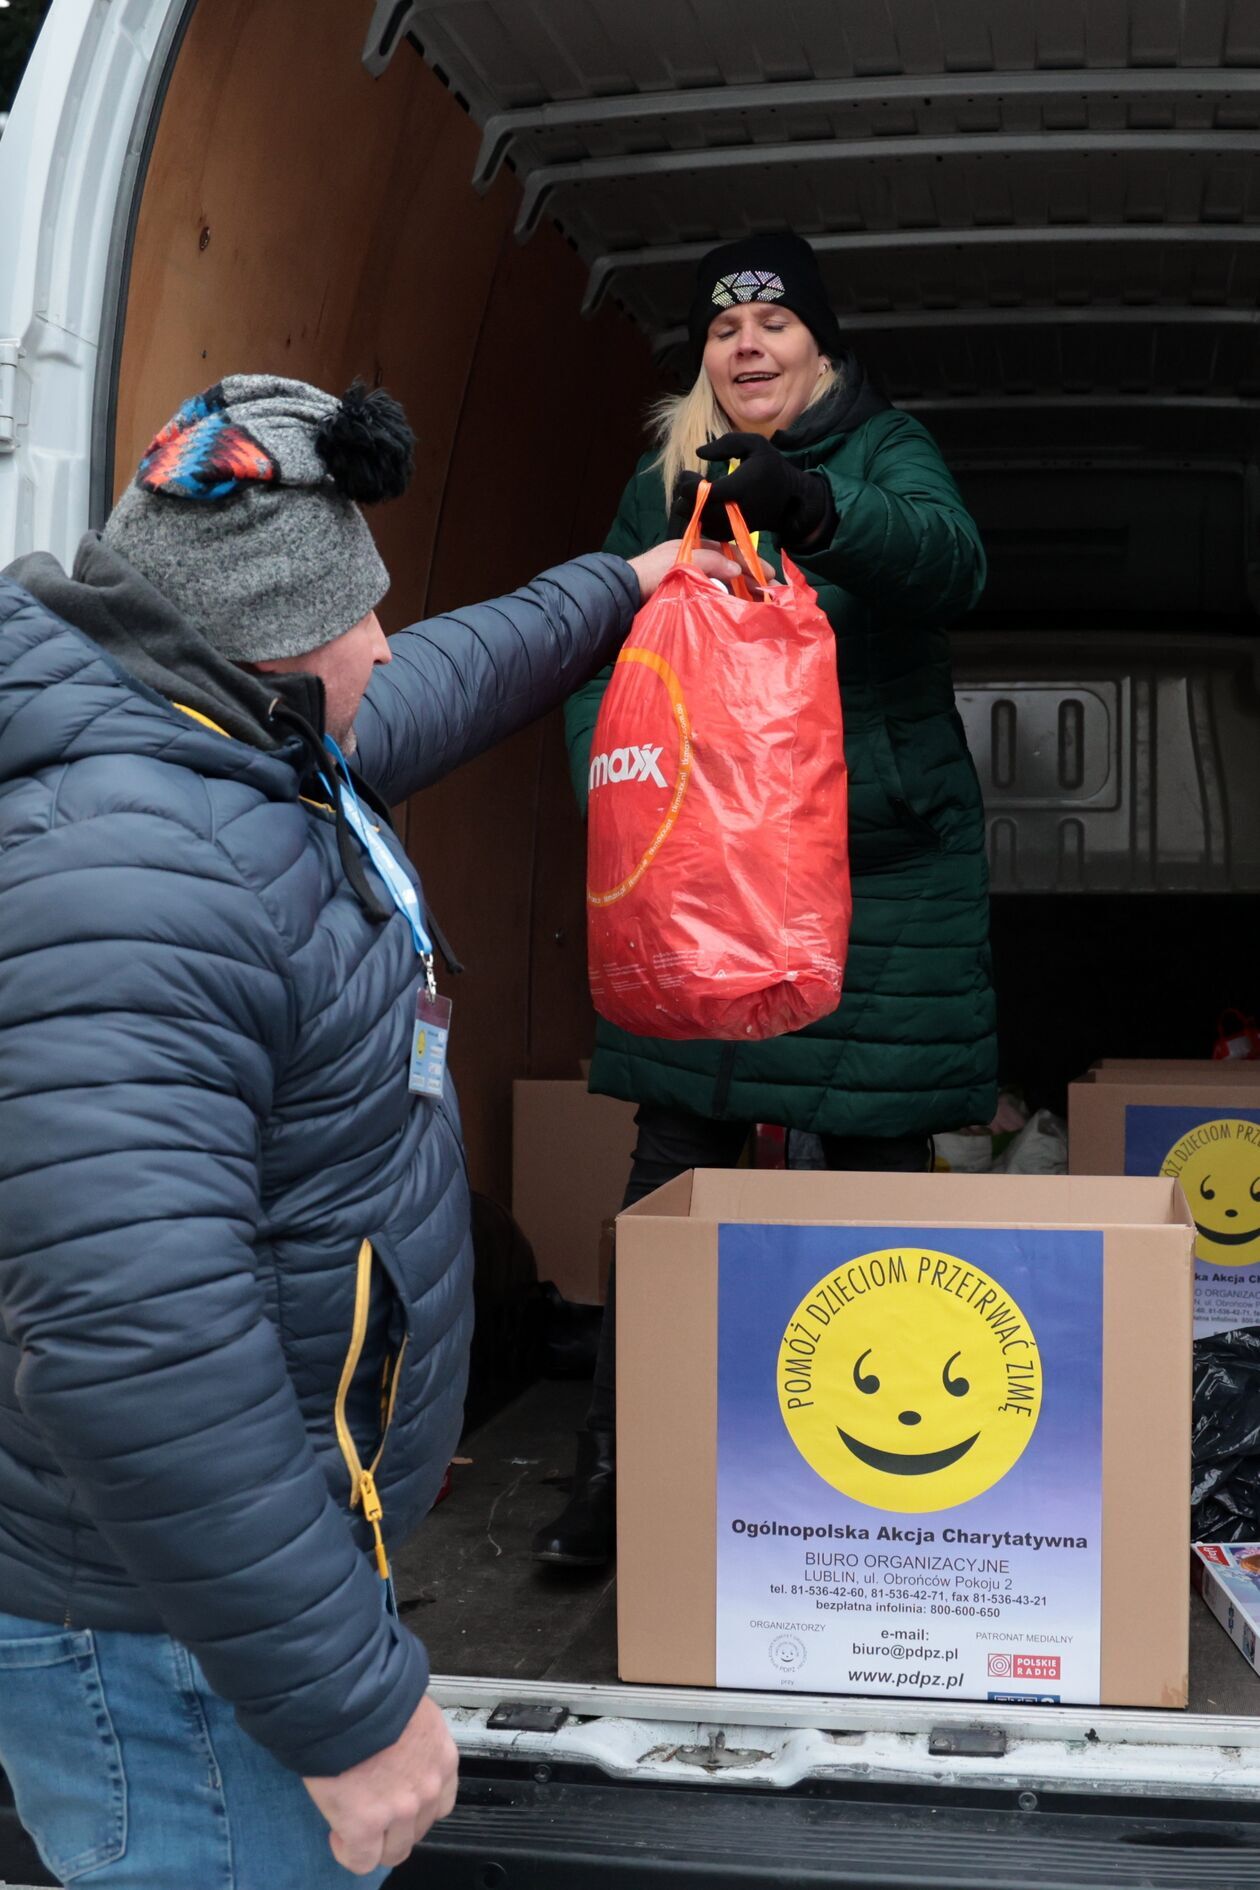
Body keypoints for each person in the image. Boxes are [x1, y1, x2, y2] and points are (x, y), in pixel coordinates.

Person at [0, 374, 740, 1887]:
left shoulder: (227, 743)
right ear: (270, 642)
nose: (385, 642)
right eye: (359, 615)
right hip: (171, 1656)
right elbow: (134, 1341)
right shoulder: (133, 879)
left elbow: (437, 675)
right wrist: (348, 1707)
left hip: (223, 1614)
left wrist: (629, 583)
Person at [534, 232, 995, 1570]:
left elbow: (953, 562)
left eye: (776, 324)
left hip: (874, 886)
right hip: (701, 887)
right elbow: (592, 654)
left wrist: (815, 506)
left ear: (822, 344)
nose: (748, 348)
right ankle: (619, 1472)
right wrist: (612, 794)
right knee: (671, 1181)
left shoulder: (886, 448)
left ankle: (860, 1477)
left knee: (869, 1183)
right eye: (725, 331)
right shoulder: (659, 483)